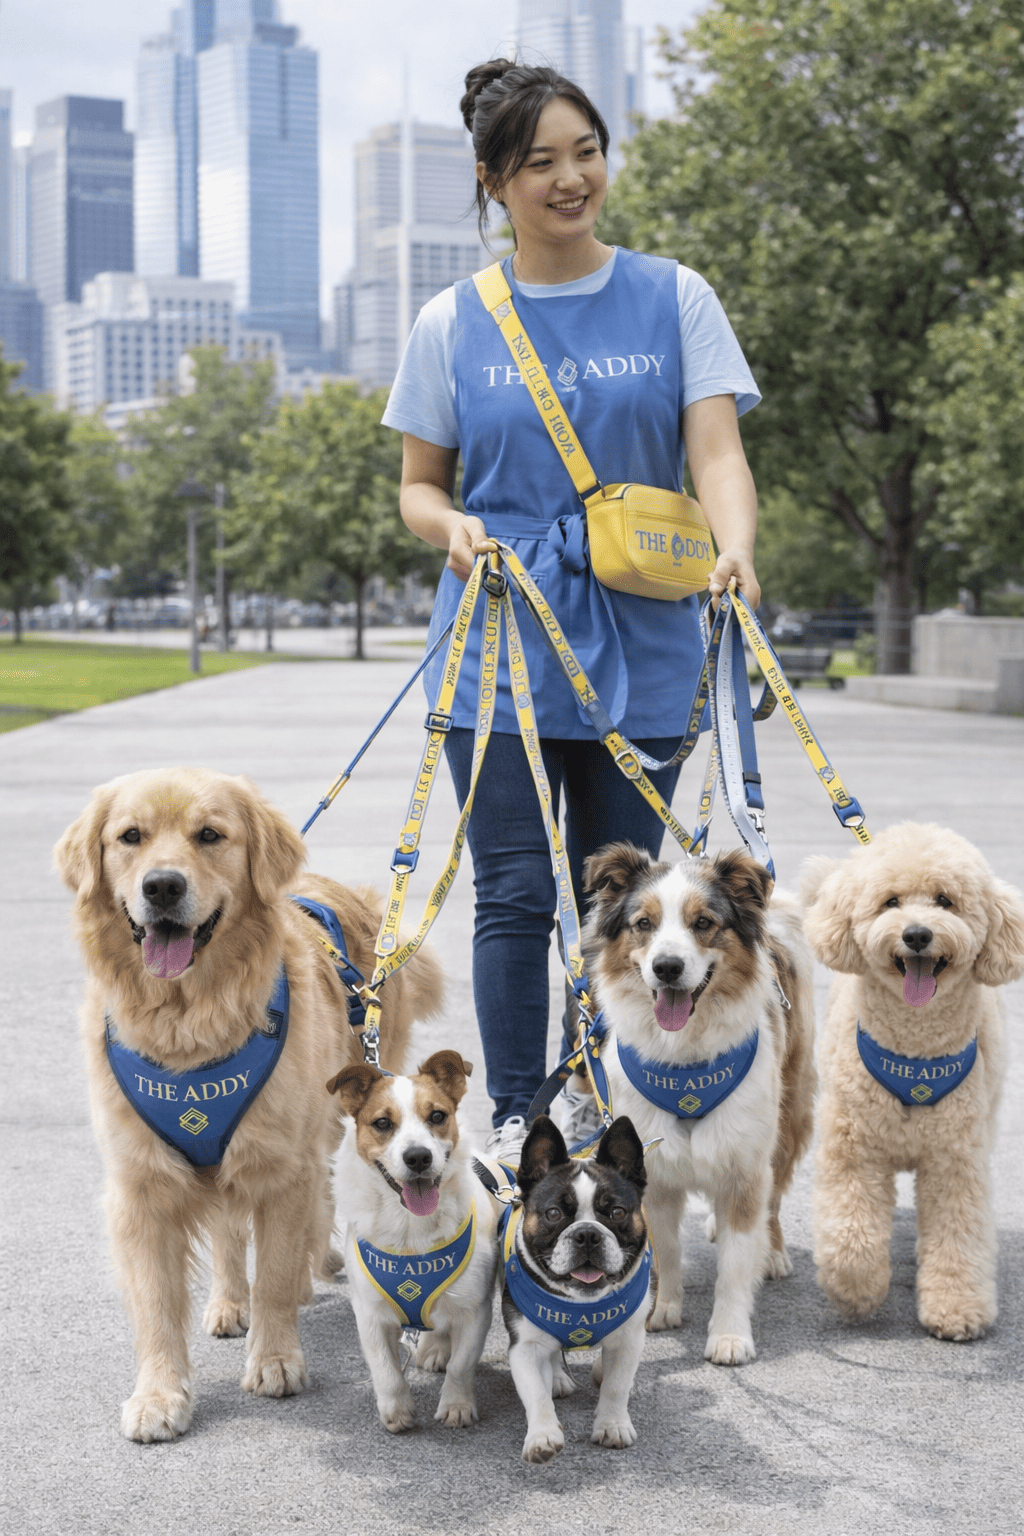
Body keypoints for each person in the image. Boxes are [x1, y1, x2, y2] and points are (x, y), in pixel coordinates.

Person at [382, 59, 762, 1161]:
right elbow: (418, 486)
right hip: (499, 638)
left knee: (626, 892)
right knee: (511, 892)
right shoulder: (452, 320)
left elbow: (716, 451)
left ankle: (593, 1093)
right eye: (540, 161)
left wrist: (735, 549)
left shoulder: (675, 295)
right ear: (492, 179)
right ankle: (518, 1115)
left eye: (586, 152)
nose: (570, 179)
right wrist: (452, 528)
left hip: (644, 635)